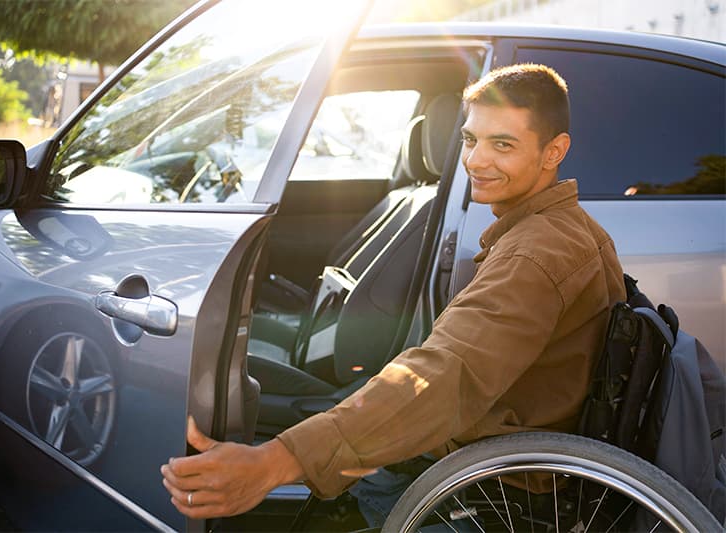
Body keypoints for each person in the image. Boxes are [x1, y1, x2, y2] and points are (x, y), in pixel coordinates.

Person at [160, 63, 626, 525]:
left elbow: (444, 376)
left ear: (554, 151)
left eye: (502, 145)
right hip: (490, 459)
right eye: (469, 140)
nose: (475, 161)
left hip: (492, 487)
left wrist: (273, 463)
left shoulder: (535, 255)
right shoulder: (564, 231)